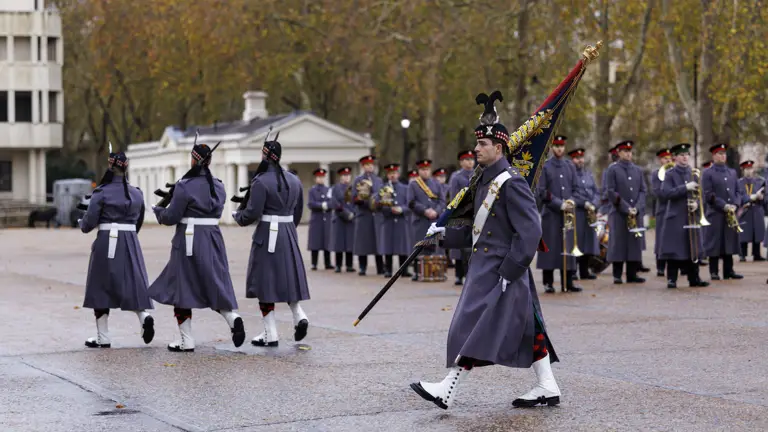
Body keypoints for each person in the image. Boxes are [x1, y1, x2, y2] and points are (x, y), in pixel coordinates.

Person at [411, 92, 559, 410]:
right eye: (477, 144)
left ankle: (446, 390)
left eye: (482, 145)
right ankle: (548, 385)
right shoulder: (483, 183)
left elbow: (531, 232)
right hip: (486, 264)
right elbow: (474, 231)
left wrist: (509, 272)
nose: (476, 149)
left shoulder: (511, 183)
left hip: (502, 269)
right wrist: (440, 236)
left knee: (470, 327)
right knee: (527, 328)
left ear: (499, 147)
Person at [149, 142, 245, 352]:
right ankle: (232, 317)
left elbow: (172, 216)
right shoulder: (218, 185)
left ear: (194, 159)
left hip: (189, 240)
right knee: (214, 282)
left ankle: (187, 340)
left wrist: (158, 211)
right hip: (212, 237)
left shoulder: (185, 185)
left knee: (181, 287)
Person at [233, 135, 310, 347]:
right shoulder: (294, 180)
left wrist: (237, 216)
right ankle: (299, 315)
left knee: (265, 282)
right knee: (288, 279)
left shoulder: (260, 181)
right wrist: (289, 230)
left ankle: (271, 332)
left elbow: (252, 213)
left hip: (268, 234)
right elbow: (298, 212)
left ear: (265, 156)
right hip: (287, 232)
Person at [78, 150, 155, 348]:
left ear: (110, 167)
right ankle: (143, 316)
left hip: (107, 240)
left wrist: (82, 222)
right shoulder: (137, 193)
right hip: (130, 240)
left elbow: (89, 222)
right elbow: (138, 221)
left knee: (101, 286)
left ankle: (103, 336)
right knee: (132, 282)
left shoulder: (101, 192)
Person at [658, 143, 709, 288]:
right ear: (675, 157)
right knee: (675, 249)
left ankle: (694, 278)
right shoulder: (669, 174)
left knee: (692, 246)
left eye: (687, 155)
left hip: (691, 216)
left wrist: (697, 204)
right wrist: (685, 188)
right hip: (676, 217)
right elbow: (666, 193)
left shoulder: (694, 173)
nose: (685, 157)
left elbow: (701, 195)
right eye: (682, 155)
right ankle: (672, 279)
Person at [536, 135, 583, 293]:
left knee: (568, 247)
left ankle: (568, 281)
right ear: (551, 148)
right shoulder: (545, 167)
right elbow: (542, 191)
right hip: (551, 214)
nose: (559, 149)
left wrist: (571, 202)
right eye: (556, 146)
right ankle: (548, 282)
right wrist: (558, 203)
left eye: (561, 146)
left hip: (567, 214)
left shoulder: (570, 166)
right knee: (551, 249)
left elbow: (576, 189)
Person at [604, 140, 647, 284]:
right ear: (619, 153)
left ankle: (632, 274)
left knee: (633, 242)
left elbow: (642, 190)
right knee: (619, 243)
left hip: (635, 212)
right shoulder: (613, 169)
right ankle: (617, 274)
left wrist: (638, 207)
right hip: (619, 213)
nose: (628, 154)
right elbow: (610, 191)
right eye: (625, 151)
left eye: (630, 151)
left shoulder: (637, 170)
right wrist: (625, 207)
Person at [702, 143, 746, 280]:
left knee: (729, 241)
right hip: (716, 213)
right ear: (714, 156)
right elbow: (709, 194)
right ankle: (714, 271)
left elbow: (738, 191)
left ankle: (729, 271)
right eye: (719, 154)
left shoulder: (732, 172)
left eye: (724, 154)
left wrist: (735, 204)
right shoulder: (708, 173)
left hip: (730, 213)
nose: (722, 156)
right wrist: (724, 205)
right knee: (715, 243)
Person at [407, 159, 447, 281]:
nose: (425, 172)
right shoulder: (413, 185)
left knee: (436, 246)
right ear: (419, 171)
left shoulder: (436, 184)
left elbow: (442, 201)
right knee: (419, 246)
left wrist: (436, 211)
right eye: (423, 169)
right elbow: (411, 202)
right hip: (421, 220)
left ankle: (438, 271)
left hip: (435, 220)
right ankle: (417, 272)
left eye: (427, 169)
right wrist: (425, 211)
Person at [569, 147, 600, 281]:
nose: (579, 160)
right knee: (577, 241)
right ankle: (574, 270)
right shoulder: (570, 174)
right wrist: (583, 203)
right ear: (572, 160)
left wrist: (594, 203)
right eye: (577, 158)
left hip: (589, 213)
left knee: (588, 242)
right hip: (577, 212)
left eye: (581, 158)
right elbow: (570, 194)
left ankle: (584, 270)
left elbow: (595, 191)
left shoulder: (588, 174)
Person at [375, 163, 412, 277]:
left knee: (402, 247)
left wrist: (402, 209)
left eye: (395, 173)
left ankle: (403, 270)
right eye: (391, 173)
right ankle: (388, 269)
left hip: (401, 220)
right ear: (387, 175)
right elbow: (378, 203)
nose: (393, 175)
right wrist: (389, 209)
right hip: (388, 219)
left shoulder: (405, 188)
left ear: (398, 174)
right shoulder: (383, 188)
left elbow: (409, 204)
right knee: (388, 246)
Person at [352, 155, 384, 276]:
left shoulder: (379, 180)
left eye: (371, 165)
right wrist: (361, 200)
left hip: (376, 214)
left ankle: (380, 267)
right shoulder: (358, 180)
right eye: (367, 165)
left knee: (378, 243)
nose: (370, 167)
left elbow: (382, 194)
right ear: (363, 166)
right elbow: (354, 196)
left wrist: (380, 203)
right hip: (364, 214)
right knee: (362, 243)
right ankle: (362, 267)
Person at [447, 150, 476, 285]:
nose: (470, 162)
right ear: (461, 162)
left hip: (475, 213)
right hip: (461, 213)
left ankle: (470, 273)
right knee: (459, 247)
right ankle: (459, 274)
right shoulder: (456, 177)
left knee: (472, 246)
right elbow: (454, 196)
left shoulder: (478, 173)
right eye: (467, 160)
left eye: (471, 159)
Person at [737, 160, 766, 261]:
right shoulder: (739, 183)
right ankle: (742, 254)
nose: (749, 171)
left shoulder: (759, 181)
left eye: (750, 168)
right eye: (746, 169)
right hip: (745, 210)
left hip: (757, 209)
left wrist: (762, 197)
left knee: (756, 233)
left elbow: (764, 196)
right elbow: (738, 196)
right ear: (743, 170)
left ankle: (756, 254)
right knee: (744, 233)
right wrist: (750, 198)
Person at [329, 167, 356, 273]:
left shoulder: (354, 188)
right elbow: (335, 203)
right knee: (339, 244)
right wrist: (346, 213)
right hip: (340, 218)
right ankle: (338, 265)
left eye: (348, 175)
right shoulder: (336, 188)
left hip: (351, 219)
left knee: (349, 244)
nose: (346, 177)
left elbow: (355, 202)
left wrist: (353, 213)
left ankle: (349, 265)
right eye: (344, 175)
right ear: (341, 177)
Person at [307, 168, 333, 270]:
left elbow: (332, 202)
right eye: (319, 177)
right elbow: (311, 203)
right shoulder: (312, 190)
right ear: (315, 178)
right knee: (315, 242)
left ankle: (328, 263)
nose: (320, 179)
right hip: (316, 219)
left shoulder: (328, 190)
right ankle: (314, 263)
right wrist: (322, 205)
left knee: (327, 242)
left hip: (326, 219)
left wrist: (328, 205)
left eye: (322, 177)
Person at [652, 148, 673, 277]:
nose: (668, 160)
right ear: (660, 160)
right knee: (661, 238)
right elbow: (658, 192)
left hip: (674, 209)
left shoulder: (675, 172)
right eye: (665, 159)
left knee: (674, 239)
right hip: (663, 209)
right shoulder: (656, 174)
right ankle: (660, 266)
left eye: (670, 158)